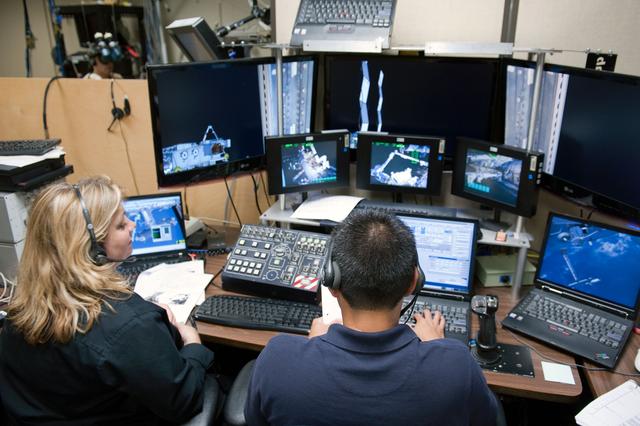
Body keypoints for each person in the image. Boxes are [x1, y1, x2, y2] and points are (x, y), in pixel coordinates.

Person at [245, 210, 498, 426]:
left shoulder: (277, 359)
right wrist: (438, 348)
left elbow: (256, 419)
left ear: (331, 282)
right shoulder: (457, 366)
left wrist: (311, 349)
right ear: (414, 282)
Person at [0, 176, 214, 424]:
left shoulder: (18, 311)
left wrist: (144, 321)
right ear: (91, 248)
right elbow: (183, 400)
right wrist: (192, 342)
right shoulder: (128, 325)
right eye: (121, 225)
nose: (133, 225)